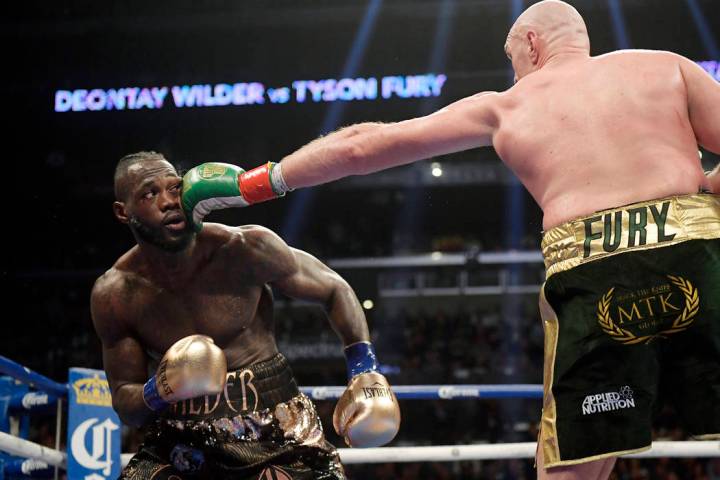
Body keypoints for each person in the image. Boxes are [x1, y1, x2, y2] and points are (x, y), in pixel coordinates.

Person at [180, 1, 720, 478]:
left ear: (531, 43)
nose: (514, 73)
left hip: (592, 267)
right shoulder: (666, 66)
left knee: (576, 458)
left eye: (513, 59)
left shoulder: (508, 105)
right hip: (699, 250)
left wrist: (256, 183)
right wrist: (700, 198)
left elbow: (364, 146)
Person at [90, 151, 400, 480]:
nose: (169, 201)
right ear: (123, 212)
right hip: (182, 440)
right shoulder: (115, 294)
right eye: (149, 194)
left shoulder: (243, 248)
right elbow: (127, 404)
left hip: (276, 431)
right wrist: (161, 388)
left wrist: (364, 369)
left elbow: (333, 288)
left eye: (175, 188)